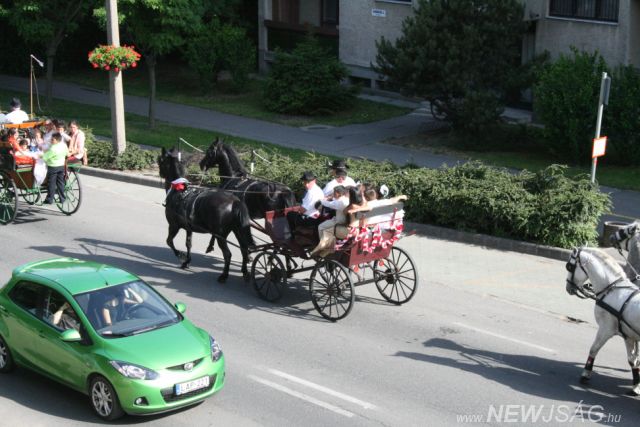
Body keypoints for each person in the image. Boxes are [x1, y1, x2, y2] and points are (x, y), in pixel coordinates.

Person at [310, 185, 349, 257]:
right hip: (342, 219)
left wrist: (321, 200)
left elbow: (329, 204)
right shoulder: (345, 199)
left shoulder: (340, 202)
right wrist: (330, 198)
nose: (333, 194)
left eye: (334, 192)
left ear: (339, 193)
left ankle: (324, 246)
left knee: (320, 226)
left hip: (339, 221)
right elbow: (334, 201)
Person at [286, 171, 325, 240]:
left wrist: (298, 208)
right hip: (317, 217)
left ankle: (293, 236)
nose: (306, 185)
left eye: (308, 182)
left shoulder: (311, 193)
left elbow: (303, 210)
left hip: (310, 220)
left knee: (290, 214)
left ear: (314, 181)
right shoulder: (319, 190)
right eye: (305, 182)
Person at [42, 132, 68, 204]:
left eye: (52, 139)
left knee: (51, 183)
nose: (51, 140)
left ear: (57, 140)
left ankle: (49, 199)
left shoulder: (53, 148)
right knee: (61, 183)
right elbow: (67, 153)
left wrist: (40, 155)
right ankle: (62, 198)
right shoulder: (64, 145)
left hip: (53, 167)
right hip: (61, 166)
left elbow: (45, 157)